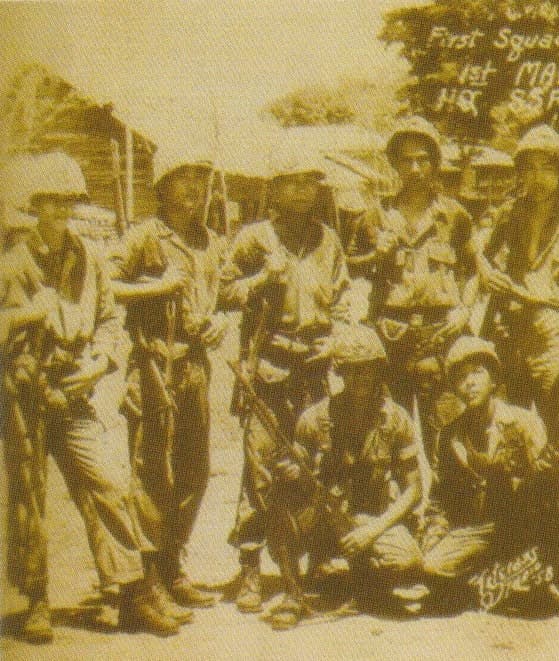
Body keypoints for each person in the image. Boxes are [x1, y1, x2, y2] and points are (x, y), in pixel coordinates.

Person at [0, 151, 182, 642]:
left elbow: (108, 320)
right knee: (29, 501)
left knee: (109, 483)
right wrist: (24, 316)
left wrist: (100, 363)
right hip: (23, 391)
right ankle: (35, 601)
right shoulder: (10, 261)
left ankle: (130, 594)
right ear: (31, 206)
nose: (59, 213)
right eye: (48, 204)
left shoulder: (88, 257)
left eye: (67, 203)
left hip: (74, 388)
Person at [220, 145, 354, 614]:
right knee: (260, 470)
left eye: (310, 181)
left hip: (314, 368)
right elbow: (224, 292)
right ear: (274, 188)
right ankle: (252, 566)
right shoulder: (254, 237)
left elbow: (342, 298)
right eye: (293, 181)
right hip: (268, 367)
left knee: (312, 461)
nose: (303, 190)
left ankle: (312, 561)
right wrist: (260, 278)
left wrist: (337, 338)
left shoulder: (328, 239)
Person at [477, 124, 559, 588]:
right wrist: (486, 272)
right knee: (513, 440)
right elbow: (479, 254)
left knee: (558, 447)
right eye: (528, 166)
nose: (536, 175)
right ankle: (520, 544)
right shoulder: (507, 216)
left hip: (554, 344)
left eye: (546, 166)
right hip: (510, 338)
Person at [110, 152, 227, 612]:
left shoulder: (209, 241)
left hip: (194, 366)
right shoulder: (142, 235)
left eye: (201, 179)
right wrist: (154, 288)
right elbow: (104, 283)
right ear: (163, 186)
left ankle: (173, 565)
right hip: (153, 365)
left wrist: (218, 322)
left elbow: (220, 295)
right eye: (184, 179)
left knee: (195, 470)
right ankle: (149, 578)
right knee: (154, 473)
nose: (194, 189)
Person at [264, 324, 424, 629]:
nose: (359, 378)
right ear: (339, 372)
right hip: (324, 517)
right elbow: (297, 469)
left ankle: (361, 583)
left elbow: (413, 491)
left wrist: (372, 529)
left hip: (369, 520)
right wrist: (292, 473)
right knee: (280, 497)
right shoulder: (314, 418)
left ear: (378, 371)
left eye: (366, 369)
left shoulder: (396, 418)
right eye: (351, 370)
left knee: (408, 562)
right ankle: (293, 593)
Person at [347, 116, 478, 458]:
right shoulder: (375, 216)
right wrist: (375, 255)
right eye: (406, 160)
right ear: (394, 163)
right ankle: (396, 500)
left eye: (423, 159)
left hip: (441, 333)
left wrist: (464, 308)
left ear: (435, 163)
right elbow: (348, 268)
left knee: (445, 423)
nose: (416, 168)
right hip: (392, 334)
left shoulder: (454, 216)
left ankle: (439, 505)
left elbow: (476, 270)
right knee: (390, 423)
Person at [420, 335, 559, 615]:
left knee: (533, 587)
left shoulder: (523, 422)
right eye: (461, 378)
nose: (470, 383)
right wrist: (433, 536)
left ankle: (528, 576)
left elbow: (553, 492)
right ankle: (494, 581)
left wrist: (544, 475)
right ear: (453, 387)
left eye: (477, 372)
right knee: (430, 567)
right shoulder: (451, 435)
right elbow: (440, 497)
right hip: (479, 529)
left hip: (523, 526)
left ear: (494, 379)